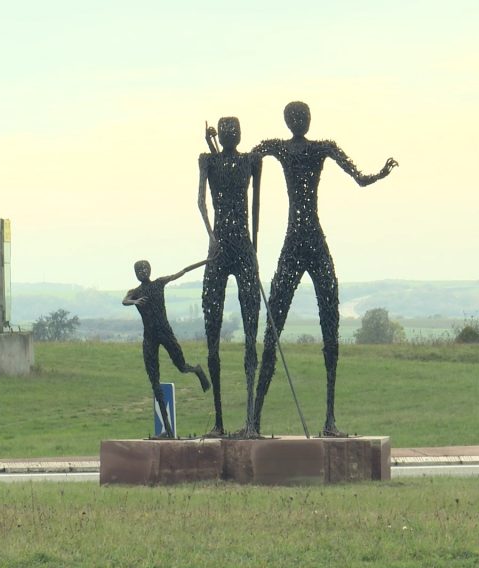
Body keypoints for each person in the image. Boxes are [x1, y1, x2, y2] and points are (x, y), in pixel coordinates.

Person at [250, 101, 398, 437]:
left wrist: (379, 174)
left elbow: (246, 159)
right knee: (281, 329)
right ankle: (256, 420)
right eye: (297, 117)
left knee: (323, 328)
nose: (300, 121)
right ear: (293, 121)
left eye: (301, 117)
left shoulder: (292, 148)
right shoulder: (314, 148)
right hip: (307, 242)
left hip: (306, 242)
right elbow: (360, 179)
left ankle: (323, 420)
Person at [197, 117, 263, 437]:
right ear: (220, 134)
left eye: (233, 131)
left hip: (239, 247)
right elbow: (200, 202)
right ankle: (220, 421)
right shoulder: (208, 160)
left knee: (251, 334)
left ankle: (250, 421)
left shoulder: (251, 161)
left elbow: (256, 207)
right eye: (225, 132)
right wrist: (211, 236)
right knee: (213, 334)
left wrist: (254, 251)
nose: (229, 135)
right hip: (220, 249)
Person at [123, 258, 212, 438]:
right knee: (154, 381)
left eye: (145, 269)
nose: (142, 272)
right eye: (139, 270)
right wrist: (135, 302)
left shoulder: (159, 283)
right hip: (149, 337)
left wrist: (207, 261)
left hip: (165, 332)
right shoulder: (135, 293)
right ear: (135, 274)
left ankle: (197, 370)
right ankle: (168, 430)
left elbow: (183, 270)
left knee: (181, 366)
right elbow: (124, 301)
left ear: (150, 269)